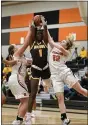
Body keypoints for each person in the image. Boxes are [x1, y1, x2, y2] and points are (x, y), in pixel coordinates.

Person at [47, 32, 88, 125]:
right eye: (62, 41)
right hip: (55, 76)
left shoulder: (67, 52)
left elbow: (53, 43)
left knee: (81, 90)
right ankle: (64, 118)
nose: (62, 41)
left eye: (64, 41)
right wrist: (45, 27)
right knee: (60, 98)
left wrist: (52, 42)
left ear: (67, 46)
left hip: (65, 73)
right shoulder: (54, 47)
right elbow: (49, 38)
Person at [24, 15, 51, 124]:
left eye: (41, 33)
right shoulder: (32, 42)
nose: (40, 34)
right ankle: (29, 116)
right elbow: (31, 29)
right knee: (33, 94)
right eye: (38, 33)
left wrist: (43, 22)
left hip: (45, 69)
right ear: (35, 34)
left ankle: (47, 84)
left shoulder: (45, 41)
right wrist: (34, 23)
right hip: (35, 69)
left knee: (48, 86)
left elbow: (45, 28)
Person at [3, 44, 32, 125]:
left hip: (15, 79)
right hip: (17, 78)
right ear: (13, 50)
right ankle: (18, 120)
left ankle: (18, 119)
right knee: (26, 100)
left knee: (23, 101)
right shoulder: (16, 56)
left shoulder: (23, 58)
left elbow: (31, 62)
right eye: (16, 46)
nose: (18, 47)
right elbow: (9, 62)